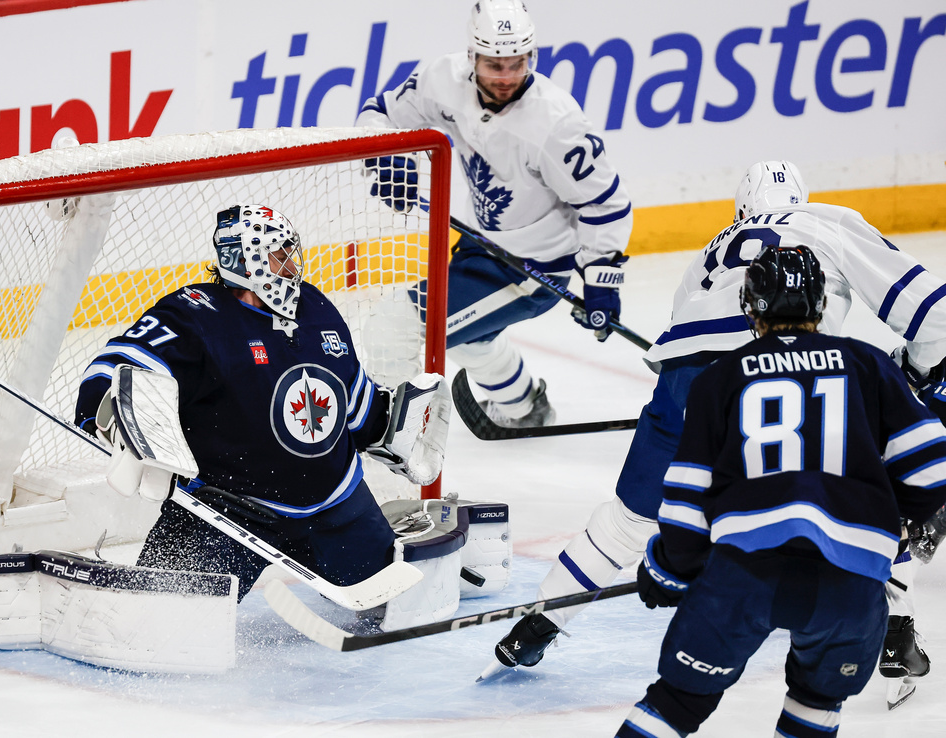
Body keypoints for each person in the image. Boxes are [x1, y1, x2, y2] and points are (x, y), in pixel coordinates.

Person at [489, 161, 946, 689]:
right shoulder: (825, 221)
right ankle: (895, 622)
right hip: (799, 379)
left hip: (687, 382)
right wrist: (917, 375)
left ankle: (538, 622)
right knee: (888, 479)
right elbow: (934, 313)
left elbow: (687, 348)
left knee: (631, 520)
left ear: (741, 212)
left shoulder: (709, 253)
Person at [612, 244, 946, 737]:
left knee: (679, 702)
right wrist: (900, 518)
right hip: (851, 583)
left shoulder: (718, 379)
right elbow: (930, 470)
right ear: (822, 304)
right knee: (816, 702)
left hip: (746, 575)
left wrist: (667, 570)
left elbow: (686, 503)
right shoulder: (870, 365)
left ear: (750, 307)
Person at [74, 204, 448, 609]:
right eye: (278, 254)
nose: (291, 264)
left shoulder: (316, 308)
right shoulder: (196, 314)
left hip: (338, 507)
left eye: (290, 252)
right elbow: (110, 370)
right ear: (241, 259)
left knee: (396, 610)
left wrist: (388, 426)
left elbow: (349, 396)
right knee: (161, 622)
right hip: (226, 514)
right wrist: (123, 421)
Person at [356, 0, 632, 428]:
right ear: (472, 57)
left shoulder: (557, 124)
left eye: (516, 64)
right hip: (482, 245)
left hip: (532, 266)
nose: (505, 77)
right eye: (493, 64)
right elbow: (380, 112)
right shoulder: (442, 80)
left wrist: (602, 280)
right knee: (469, 338)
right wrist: (387, 158)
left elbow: (605, 203)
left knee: (398, 328)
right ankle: (526, 407)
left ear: (531, 57)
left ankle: (387, 441)